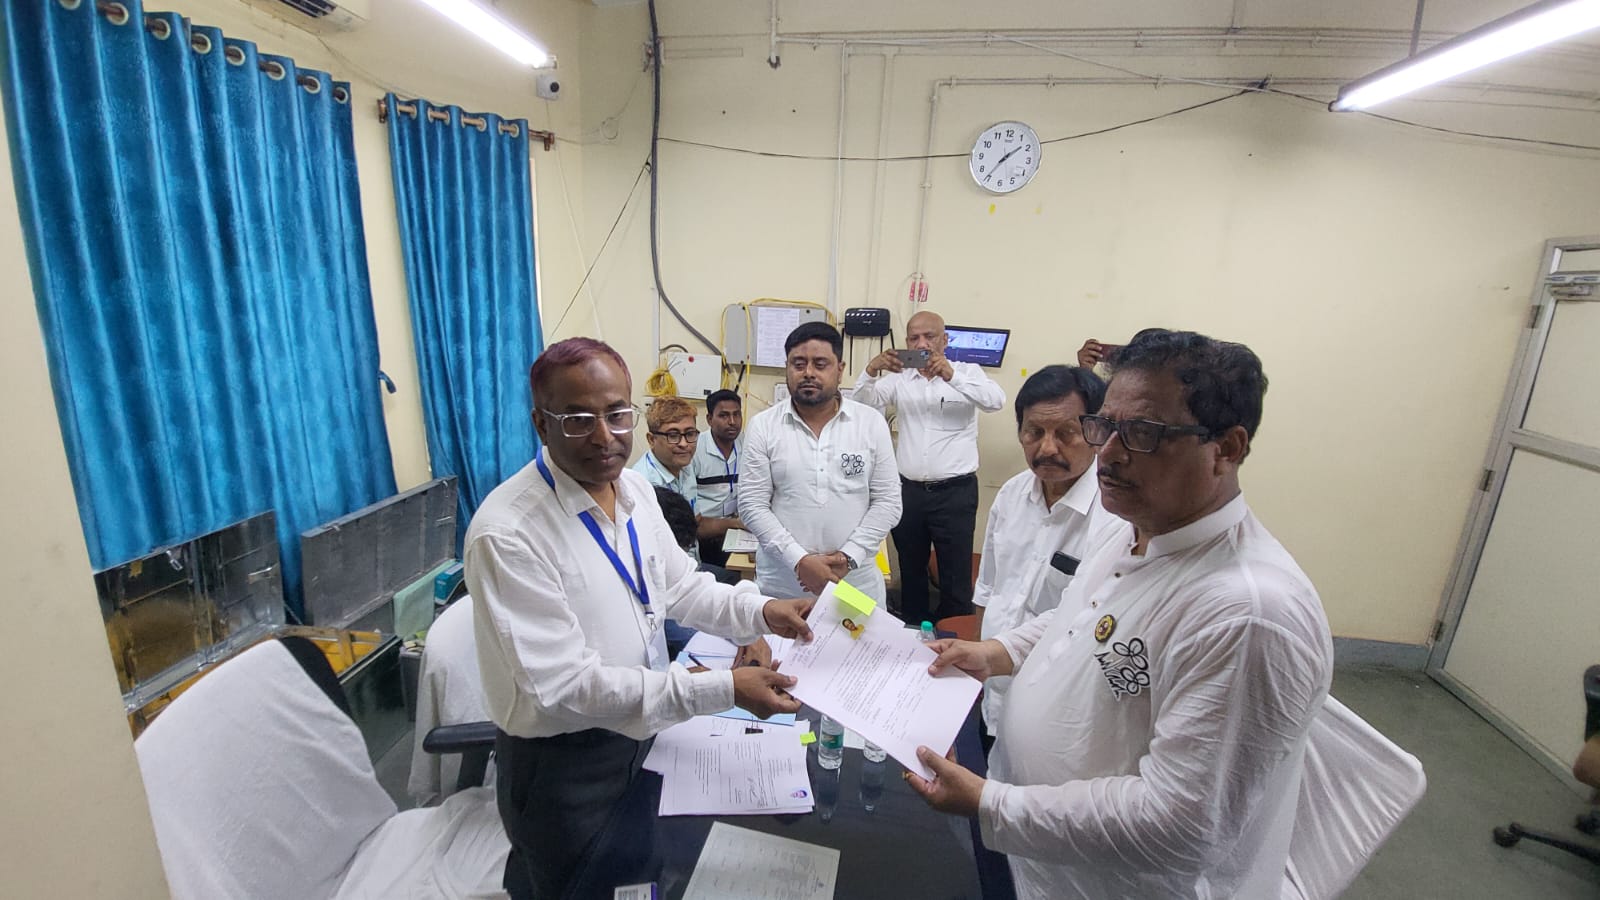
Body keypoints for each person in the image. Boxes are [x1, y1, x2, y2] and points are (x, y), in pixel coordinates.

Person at [906, 328, 1333, 900]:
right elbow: (1076, 619)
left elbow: (1178, 826)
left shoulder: (1247, 614)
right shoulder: (1137, 528)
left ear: (1227, 449)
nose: (1107, 453)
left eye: (1143, 434)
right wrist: (993, 652)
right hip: (1038, 855)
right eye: (1105, 426)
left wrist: (992, 803)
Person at [464, 337, 814, 899]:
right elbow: (565, 688)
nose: (604, 436)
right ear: (541, 424)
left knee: (637, 876)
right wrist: (724, 689)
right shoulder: (509, 533)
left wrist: (764, 611)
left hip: (645, 729)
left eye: (615, 413)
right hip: (567, 764)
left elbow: (680, 586)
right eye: (578, 419)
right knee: (575, 886)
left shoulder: (633, 492)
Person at [972, 365, 1116, 749]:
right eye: (1034, 432)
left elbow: (1087, 618)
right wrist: (979, 661)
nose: (1047, 448)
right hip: (992, 688)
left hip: (1056, 707)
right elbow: (989, 587)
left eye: (1066, 433)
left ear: (1097, 432)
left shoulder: (1115, 516)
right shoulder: (1012, 493)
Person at [854, 311, 1004, 622]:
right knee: (910, 569)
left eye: (929, 336)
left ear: (944, 340)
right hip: (908, 492)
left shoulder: (967, 372)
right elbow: (860, 406)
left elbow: (995, 401)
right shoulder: (899, 380)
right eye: (914, 338)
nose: (922, 344)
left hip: (955, 494)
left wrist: (952, 375)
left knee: (955, 573)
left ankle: (954, 634)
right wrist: (871, 370)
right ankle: (912, 631)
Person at [740, 321, 901, 602]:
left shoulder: (870, 423)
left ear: (840, 369)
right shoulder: (763, 426)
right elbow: (752, 505)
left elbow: (888, 502)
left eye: (820, 364)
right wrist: (799, 560)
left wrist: (849, 556)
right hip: (782, 584)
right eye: (798, 364)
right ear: (787, 368)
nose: (808, 373)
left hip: (855, 581)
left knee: (858, 633)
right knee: (781, 634)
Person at [692, 388, 744, 566]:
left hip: (736, 530)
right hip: (705, 535)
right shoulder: (695, 449)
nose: (732, 422)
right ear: (709, 419)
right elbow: (693, 523)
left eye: (737, 414)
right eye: (724, 415)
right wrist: (735, 523)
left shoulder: (746, 443)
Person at [632, 395, 699, 506]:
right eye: (673, 435)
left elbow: (696, 515)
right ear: (651, 440)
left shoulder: (684, 463)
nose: (684, 444)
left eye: (690, 433)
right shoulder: (642, 485)